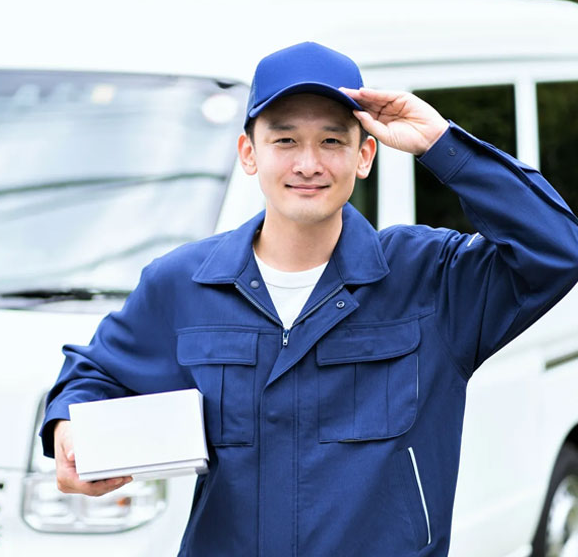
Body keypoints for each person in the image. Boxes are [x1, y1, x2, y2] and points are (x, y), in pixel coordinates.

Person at [40, 42, 578, 556]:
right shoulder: (184, 283)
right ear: (249, 153)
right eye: (285, 140)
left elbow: (556, 247)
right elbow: (94, 375)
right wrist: (69, 426)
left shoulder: (430, 279)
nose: (308, 163)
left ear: (365, 154)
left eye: (331, 141)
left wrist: (441, 144)